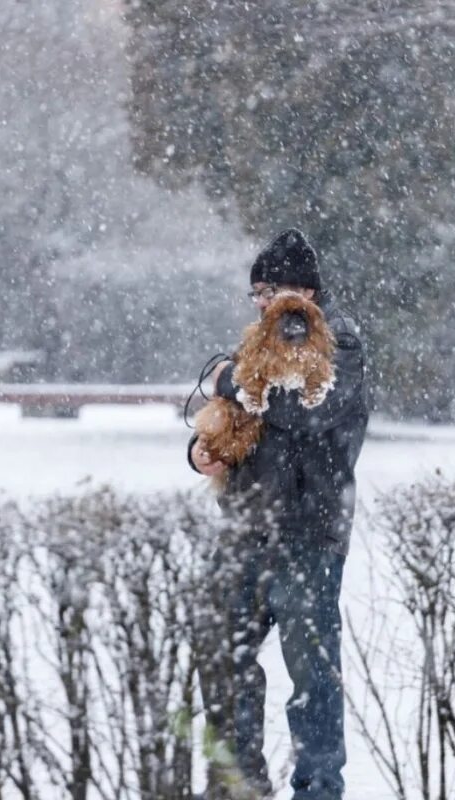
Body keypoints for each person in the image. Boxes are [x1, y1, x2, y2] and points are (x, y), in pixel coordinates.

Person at [187, 229, 368, 800]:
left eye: (272, 289)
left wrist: (231, 381)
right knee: (222, 656)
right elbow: (230, 412)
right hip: (244, 526)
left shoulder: (341, 343)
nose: (263, 302)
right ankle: (239, 783)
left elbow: (300, 408)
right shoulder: (258, 345)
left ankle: (318, 790)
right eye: (258, 292)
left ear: (306, 289)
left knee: (311, 674)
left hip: (310, 533)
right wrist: (199, 451)